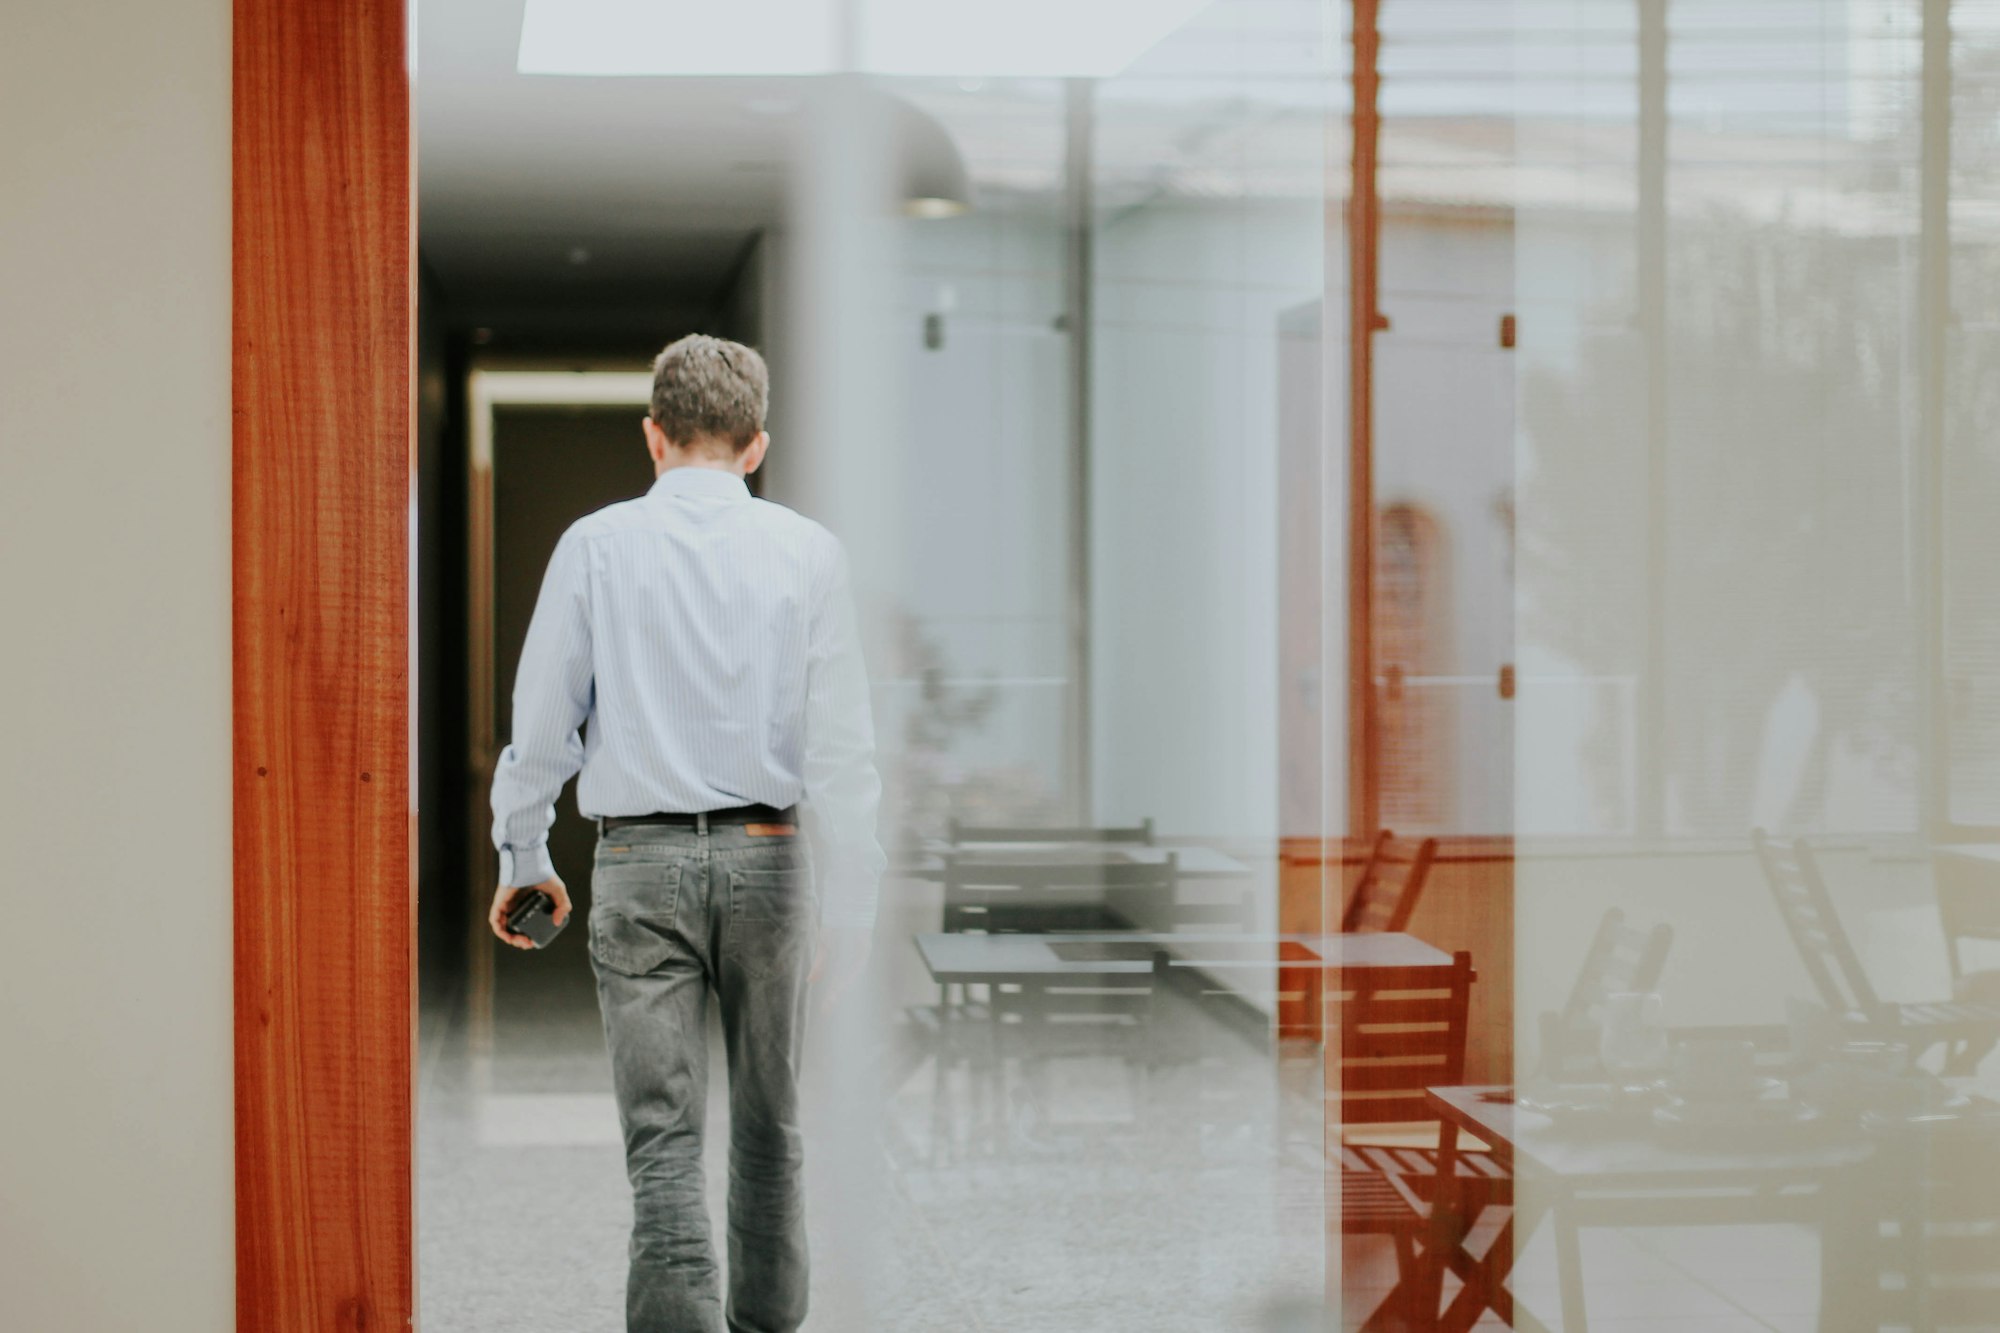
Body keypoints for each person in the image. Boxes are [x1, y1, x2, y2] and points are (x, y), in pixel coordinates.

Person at [487, 333, 884, 1333]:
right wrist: (853, 901)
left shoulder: (594, 544)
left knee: (661, 1136)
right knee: (772, 1121)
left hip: (638, 862)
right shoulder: (808, 552)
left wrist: (522, 855)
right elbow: (842, 752)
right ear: (756, 446)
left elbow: (542, 725)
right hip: (774, 862)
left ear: (652, 437)